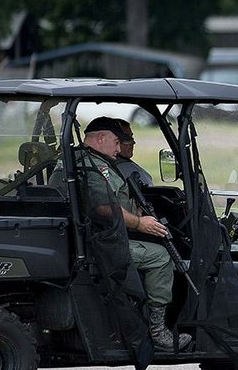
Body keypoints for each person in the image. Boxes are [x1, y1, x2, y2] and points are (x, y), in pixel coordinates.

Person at [56, 116, 191, 351]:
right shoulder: (92, 165)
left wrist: (136, 213)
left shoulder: (81, 160)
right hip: (103, 243)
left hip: (96, 238)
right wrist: (139, 223)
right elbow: (103, 208)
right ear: (100, 138)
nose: (120, 149)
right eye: (117, 142)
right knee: (160, 257)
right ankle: (158, 331)